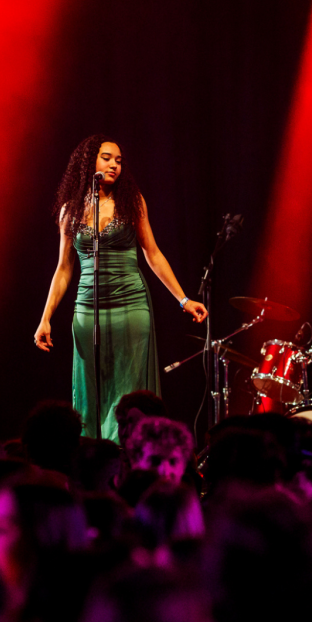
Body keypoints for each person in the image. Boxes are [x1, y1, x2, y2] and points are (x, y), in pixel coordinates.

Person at [34, 135, 207, 443]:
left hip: (131, 305)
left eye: (119, 160)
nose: (114, 165)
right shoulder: (69, 211)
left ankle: (130, 452)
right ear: (88, 162)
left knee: (130, 391)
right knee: (91, 389)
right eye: (107, 158)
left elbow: (152, 253)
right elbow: (64, 268)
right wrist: (45, 318)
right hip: (87, 310)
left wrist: (183, 299)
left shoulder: (131, 202)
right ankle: (94, 454)